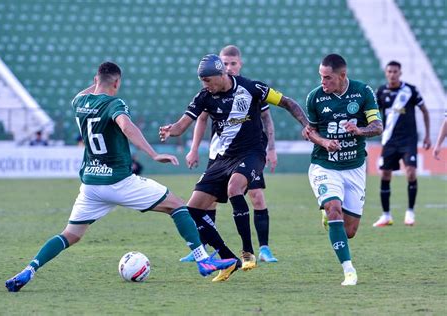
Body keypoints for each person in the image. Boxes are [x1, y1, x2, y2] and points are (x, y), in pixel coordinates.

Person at [5, 62, 236, 292]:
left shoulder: (79, 102)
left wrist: (99, 81)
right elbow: (127, 127)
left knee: (70, 234)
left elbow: (88, 90)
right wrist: (154, 154)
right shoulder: (115, 103)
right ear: (117, 83)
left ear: (96, 80)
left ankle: (29, 269)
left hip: (91, 185)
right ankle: (202, 259)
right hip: (119, 181)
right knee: (177, 206)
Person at [159, 54, 308, 282]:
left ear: (222, 75)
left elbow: (288, 103)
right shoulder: (205, 96)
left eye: (207, 80)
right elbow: (183, 124)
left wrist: (308, 126)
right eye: (202, 81)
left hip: (252, 152)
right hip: (222, 158)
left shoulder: (252, 87)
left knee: (234, 187)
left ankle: (248, 252)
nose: (204, 85)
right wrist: (171, 131)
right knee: (191, 212)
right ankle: (228, 260)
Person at [180, 45, 278, 263]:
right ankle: (205, 247)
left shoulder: (251, 89)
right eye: (225, 63)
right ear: (219, 67)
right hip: (221, 153)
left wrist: (271, 148)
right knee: (207, 201)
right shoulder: (211, 91)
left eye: (233, 63)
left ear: (239, 64)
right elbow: (201, 119)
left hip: (250, 151)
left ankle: (262, 248)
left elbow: (267, 118)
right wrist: (194, 149)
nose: (229, 67)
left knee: (256, 195)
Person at [303, 54, 383, 286]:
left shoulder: (363, 92)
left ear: (342, 75)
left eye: (327, 78)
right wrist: (323, 141)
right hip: (324, 165)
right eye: (321, 77)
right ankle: (349, 271)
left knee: (349, 232)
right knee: (334, 208)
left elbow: (378, 126)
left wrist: (360, 131)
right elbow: (311, 130)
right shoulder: (315, 98)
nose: (323, 82)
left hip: (354, 167)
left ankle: (329, 217)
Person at [372, 61, 431, 227]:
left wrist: (427, 136)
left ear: (400, 73)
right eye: (389, 71)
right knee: (385, 175)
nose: (392, 74)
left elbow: (424, 111)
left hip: (408, 140)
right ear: (386, 73)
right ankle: (386, 215)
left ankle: (410, 212)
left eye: (395, 71)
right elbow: (374, 113)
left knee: (411, 173)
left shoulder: (410, 90)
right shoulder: (381, 91)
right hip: (389, 140)